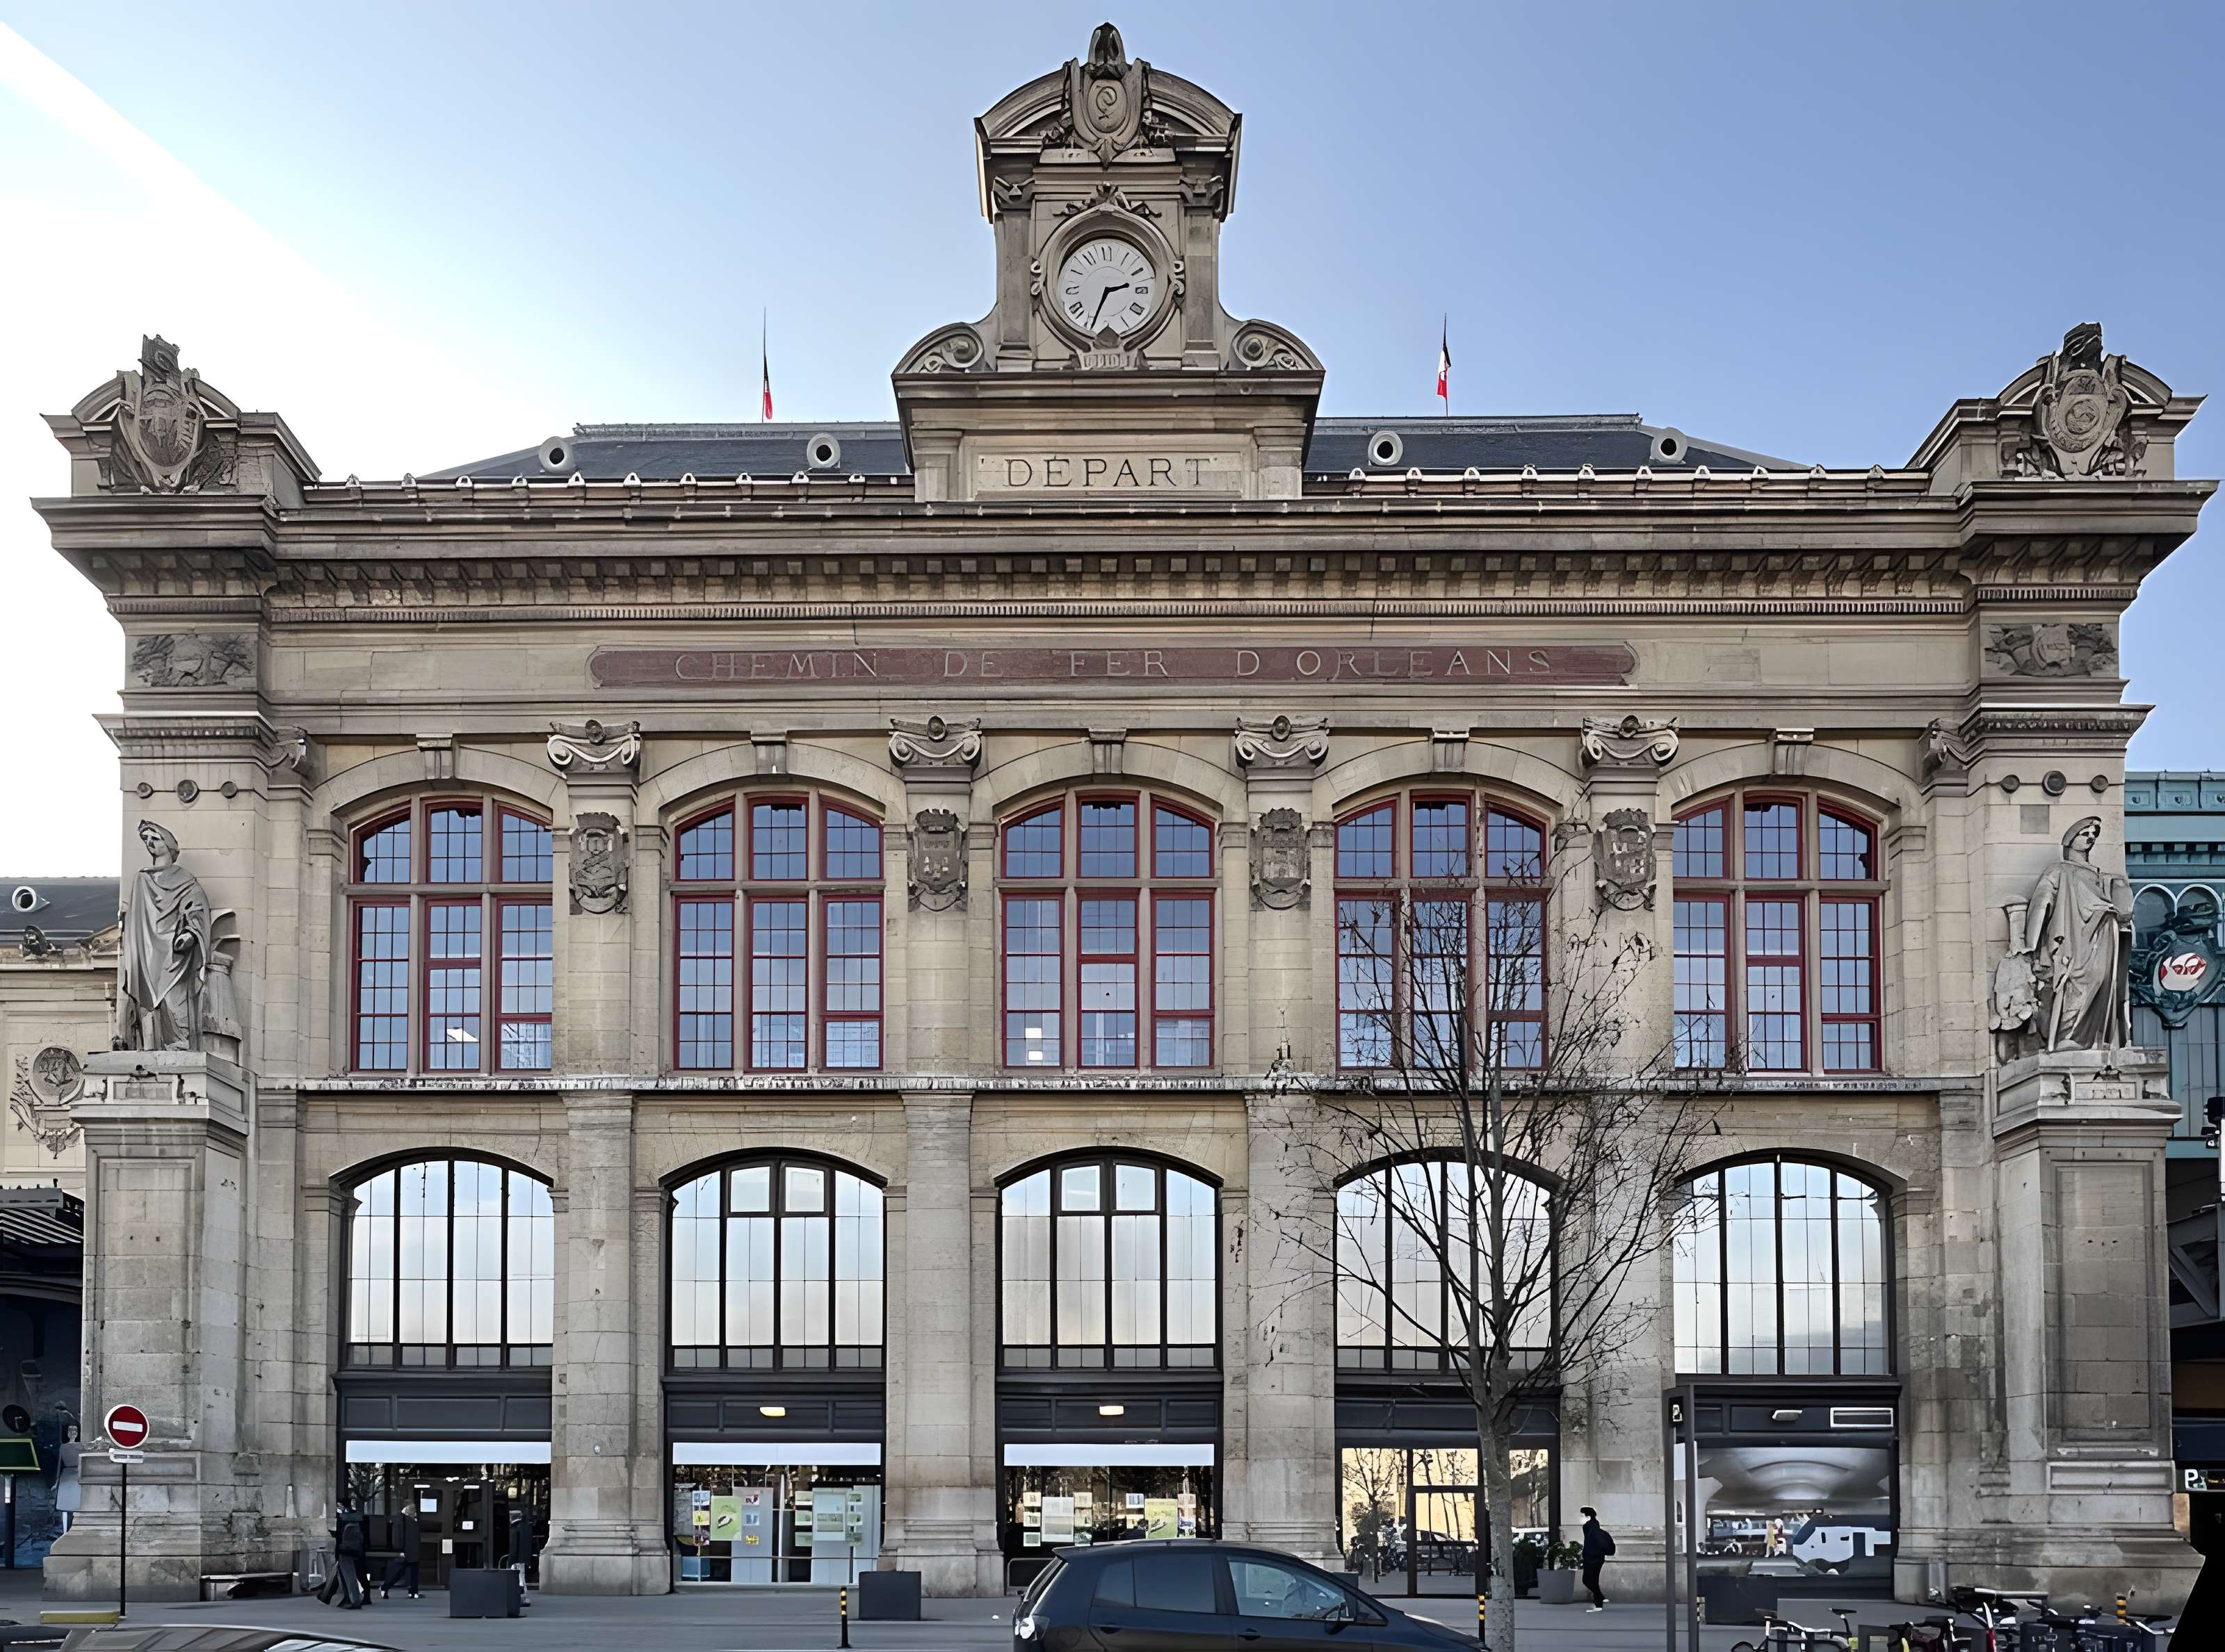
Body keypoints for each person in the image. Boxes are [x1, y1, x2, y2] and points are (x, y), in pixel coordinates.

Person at [321, 1503, 368, 1608]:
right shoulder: (357, 1523)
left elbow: (341, 1536)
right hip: (354, 1552)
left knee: (348, 1576)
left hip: (345, 1552)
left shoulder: (346, 1523)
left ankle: (353, 1599)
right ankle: (348, 1598)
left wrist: (332, 1533)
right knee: (347, 1576)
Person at [1579, 1505, 1615, 1612]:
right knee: (1591, 1581)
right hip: (1594, 1558)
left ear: (1588, 1517)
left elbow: (1596, 1543)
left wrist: (1591, 1553)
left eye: (1582, 1515)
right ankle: (1600, 1599)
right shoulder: (1591, 1527)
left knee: (1589, 1580)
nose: (1580, 1518)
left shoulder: (1591, 1529)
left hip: (1593, 1558)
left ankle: (1599, 1604)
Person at [381, 1507, 421, 1600]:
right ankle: (413, 1592)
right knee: (413, 1573)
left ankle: (386, 1587)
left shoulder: (401, 1522)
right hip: (413, 1552)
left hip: (405, 1551)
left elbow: (398, 1538)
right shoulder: (413, 1523)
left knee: (399, 1572)